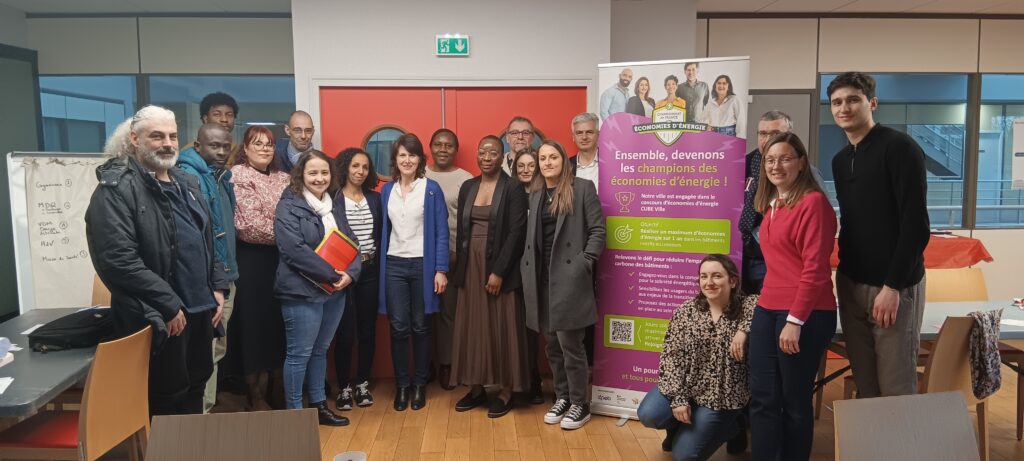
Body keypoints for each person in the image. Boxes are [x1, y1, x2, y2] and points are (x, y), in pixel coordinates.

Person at [86, 105, 226, 416]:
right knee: (166, 401)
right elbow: (118, 260)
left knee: (196, 388)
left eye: (173, 136)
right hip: (160, 317)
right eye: (156, 136)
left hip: (199, 312)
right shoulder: (117, 189)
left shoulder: (185, 183)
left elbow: (206, 238)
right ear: (134, 139)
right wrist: (168, 304)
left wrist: (216, 287)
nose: (167, 143)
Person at [828, 72, 929, 398]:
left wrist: (893, 286)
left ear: (872, 103)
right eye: (837, 102)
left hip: (892, 287)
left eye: (853, 99)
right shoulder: (840, 160)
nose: (844, 107)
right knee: (867, 386)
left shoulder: (899, 148)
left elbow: (915, 225)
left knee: (896, 388)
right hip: (851, 282)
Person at [748, 133, 837, 460]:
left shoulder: (813, 203)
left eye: (785, 158)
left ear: (801, 163)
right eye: (771, 160)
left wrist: (795, 320)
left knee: (794, 400)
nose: (776, 166)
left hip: (806, 314)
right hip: (767, 308)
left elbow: (815, 268)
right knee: (762, 397)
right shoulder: (771, 205)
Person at [637, 254, 757, 461]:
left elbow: (762, 303)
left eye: (717, 276)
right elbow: (671, 358)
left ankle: (734, 426)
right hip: (688, 388)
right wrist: (679, 400)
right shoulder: (686, 311)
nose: (709, 282)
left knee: (684, 456)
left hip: (722, 399)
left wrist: (743, 331)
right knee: (649, 413)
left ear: (733, 280)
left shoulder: (747, 306)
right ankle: (676, 428)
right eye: (703, 276)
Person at [521, 140, 606, 430]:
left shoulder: (582, 189)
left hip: (569, 277)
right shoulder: (534, 194)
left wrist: (586, 262)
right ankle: (563, 396)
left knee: (571, 344)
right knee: (552, 344)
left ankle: (581, 403)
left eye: (552, 157)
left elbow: (597, 230)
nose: (547, 162)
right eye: (542, 158)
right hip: (540, 279)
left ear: (563, 160)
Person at [274, 150, 361, 426]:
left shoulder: (334, 203)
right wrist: (333, 275)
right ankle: (296, 417)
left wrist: (351, 274)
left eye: (324, 172)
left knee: (320, 350)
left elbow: (352, 243)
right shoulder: (288, 205)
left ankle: (319, 406)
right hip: (301, 293)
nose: (319, 178)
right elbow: (293, 250)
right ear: (301, 175)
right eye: (313, 172)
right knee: (299, 354)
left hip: (334, 292)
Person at [450, 135, 530, 418]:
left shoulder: (513, 188)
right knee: (473, 326)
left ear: (502, 156)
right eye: (482, 152)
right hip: (470, 265)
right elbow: (462, 230)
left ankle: (505, 391)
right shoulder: (469, 186)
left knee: (501, 326)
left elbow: (516, 234)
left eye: (493, 152)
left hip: (499, 266)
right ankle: (476, 387)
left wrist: (498, 271)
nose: (486, 157)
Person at [378, 133, 449, 411]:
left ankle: (420, 384)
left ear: (420, 159)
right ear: (395, 159)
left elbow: (442, 232)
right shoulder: (387, 191)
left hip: (423, 265)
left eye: (412, 154)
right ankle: (402, 385)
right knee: (398, 328)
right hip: (394, 265)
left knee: (421, 326)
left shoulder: (431, 189)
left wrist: (441, 269)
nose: (407, 160)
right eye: (402, 155)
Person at [224, 126, 290, 411]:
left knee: (279, 324)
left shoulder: (285, 178)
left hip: (284, 263)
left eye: (269, 144)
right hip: (251, 263)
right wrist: (291, 233)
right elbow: (249, 226)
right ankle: (254, 391)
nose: (264, 148)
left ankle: (277, 382)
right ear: (246, 148)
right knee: (252, 326)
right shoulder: (237, 175)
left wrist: (289, 230)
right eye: (258, 143)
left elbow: (298, 215)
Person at [176, 123, 238, 413]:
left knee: (217, 349)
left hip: (224, 276)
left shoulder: (219, 176)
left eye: (226, 146)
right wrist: (215, 284)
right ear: (198, 146)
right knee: (207, 351)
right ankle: (199, 421)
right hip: (208, 284)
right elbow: (197, 239)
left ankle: (205, 414)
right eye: (214, 145)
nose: (221, 151)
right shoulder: (190, 178)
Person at [332, 147, 383, 411]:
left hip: (370, 270)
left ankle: (362, 382)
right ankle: (344, 387)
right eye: (355, 166)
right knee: (344, 332)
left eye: (364, 167)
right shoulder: (333, 198)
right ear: (345, 168)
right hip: (342, 275)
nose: (360, 171)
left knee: (367, 329)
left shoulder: (375, 199)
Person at [424, 128, 473, 390]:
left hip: (452, 256)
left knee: (448, 313)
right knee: (422, 314)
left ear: (456, 150)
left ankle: (447, 363)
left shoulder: (465, 179)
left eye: (449, 145)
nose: (443, 149)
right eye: (438, 144)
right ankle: (425, 364)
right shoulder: (419, 174)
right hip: (420, 256)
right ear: (430, 147)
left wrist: (458, 253)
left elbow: (468, 222)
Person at [569, 113, 600, 192]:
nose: (584, 137)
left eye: (589, 132)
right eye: (579, 133)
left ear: (598, 135)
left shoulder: (611, 162)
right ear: (573, 137)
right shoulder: (566, 165)